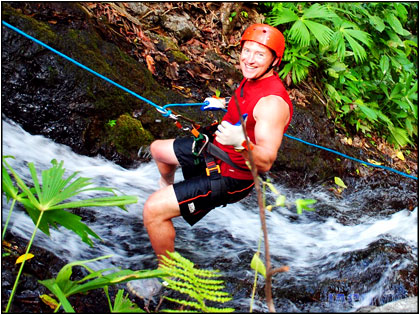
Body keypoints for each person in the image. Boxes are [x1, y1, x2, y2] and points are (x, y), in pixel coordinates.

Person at [129, 24, 293, 299]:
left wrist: (241, 142)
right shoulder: (252, 79)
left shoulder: (272, 104)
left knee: (152, 211)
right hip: (216, 151)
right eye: (246, 51)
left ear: (274, 61)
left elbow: (265, 162)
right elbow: (245, 105)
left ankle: (167, 278)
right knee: (158, 150)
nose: (249, 59)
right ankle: (166, 191)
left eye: (259, 55)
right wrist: (224, 104)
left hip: (233, 177)